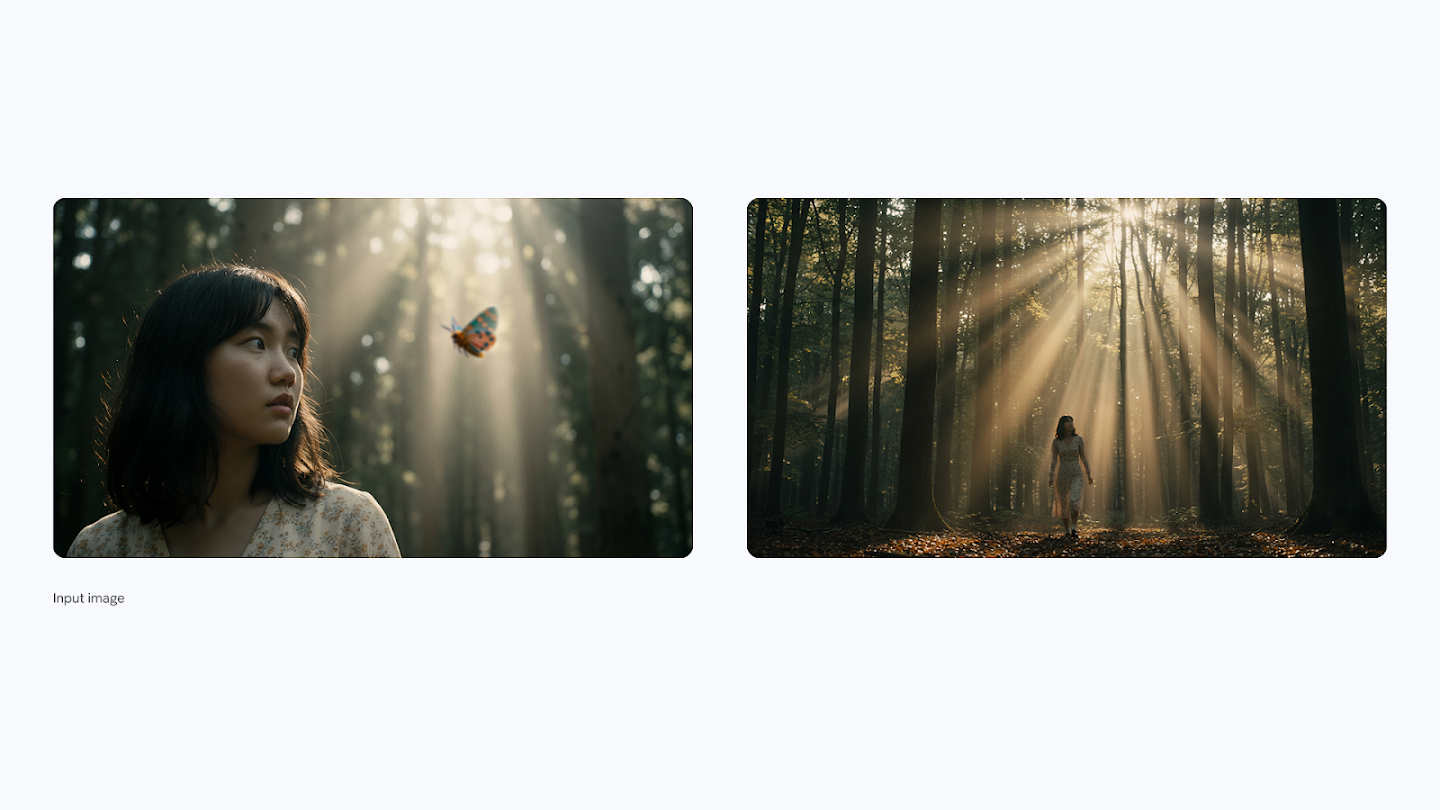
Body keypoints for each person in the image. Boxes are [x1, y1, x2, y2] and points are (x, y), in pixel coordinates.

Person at [67, 264, 400, 557]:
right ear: (182, 362)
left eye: (294, 350)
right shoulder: (101, 549)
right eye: (257, 342)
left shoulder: (347, 524)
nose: (288, 372)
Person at [1047, 415, 1093, 538]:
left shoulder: (1078, 439)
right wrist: (1051, 475)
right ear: (1062, 425)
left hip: (1076, 473)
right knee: (1064, 503)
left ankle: (1074, 528)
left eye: (1071, 421)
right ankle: (1067, 531)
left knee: (1074, 500)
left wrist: (1088, 473)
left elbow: (1083, 456)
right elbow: (1053, 460)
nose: (1071, 424)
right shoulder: (1056, 442)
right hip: (1062, 474)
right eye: (1067, 422)